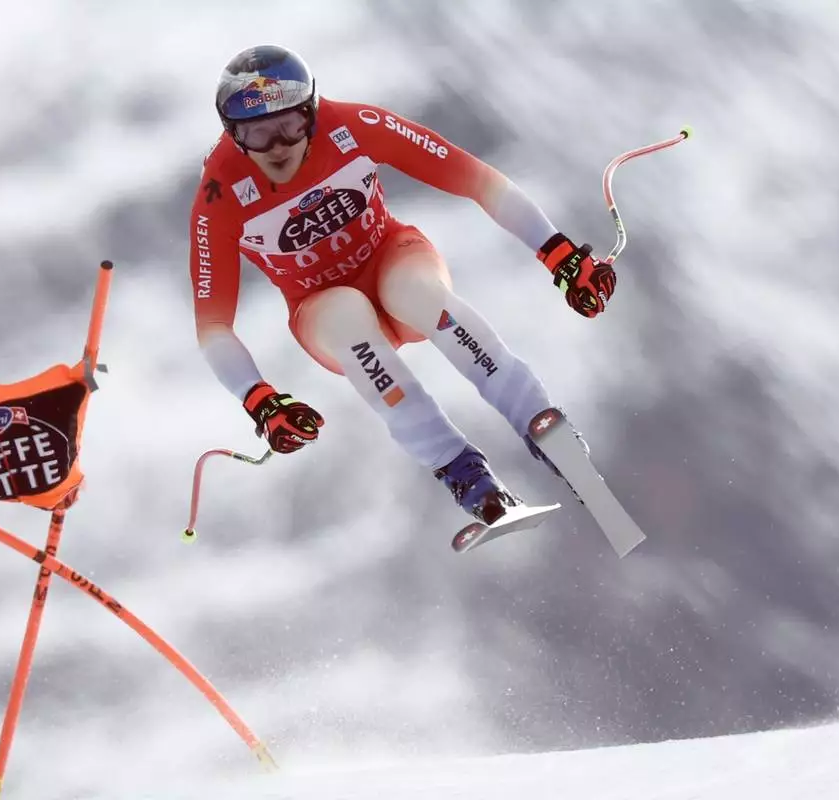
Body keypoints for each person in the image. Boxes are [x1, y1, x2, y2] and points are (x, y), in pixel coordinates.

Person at [189, 44, 612, 526]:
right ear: (232, 134)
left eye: (290, 125)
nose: (278, 147)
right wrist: (259, 399)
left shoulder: (353, 125)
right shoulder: (219, 194)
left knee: (417, 294)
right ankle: (464, 475)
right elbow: (212, 326)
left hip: (393, 257)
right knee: (347, 318)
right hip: (319, 306)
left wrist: (558, 252)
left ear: (312, 111)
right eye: (258, 134)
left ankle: (541, 422)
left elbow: (476, 179)